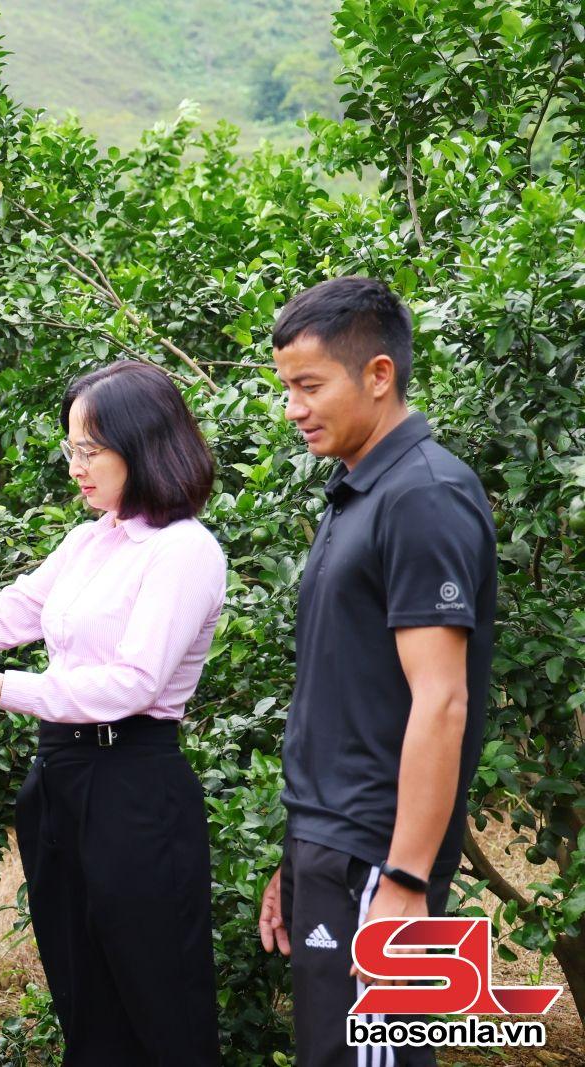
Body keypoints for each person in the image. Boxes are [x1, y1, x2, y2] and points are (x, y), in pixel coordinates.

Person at [0, 360, 226, 1065]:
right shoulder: (90, 540)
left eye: (90, 449)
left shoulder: (183, 551)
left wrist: (2, 690)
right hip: (61, 777)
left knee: (159, 997)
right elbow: (3, 617)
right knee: (83, 999)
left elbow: (133, 683)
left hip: (133, 784)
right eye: (70, 449)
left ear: (144, 445)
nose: (76, 467)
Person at [257, 276, 496, 1066]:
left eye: (309, 385)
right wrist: (299, 851)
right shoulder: (359, 491)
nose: (293, 407)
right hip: (334, 844)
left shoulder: (424, 495)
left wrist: (405, 879)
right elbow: (346, 692)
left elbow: (442, 699)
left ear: (379, 374)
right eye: (287, 387)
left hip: (375, 856)